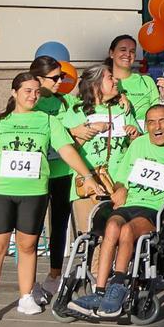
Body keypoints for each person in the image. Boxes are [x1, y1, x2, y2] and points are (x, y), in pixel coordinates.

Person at [0, 73, 103, 323]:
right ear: (14, 93)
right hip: (0, 190)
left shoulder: (47, 120)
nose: (32, 96)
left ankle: (25, 297)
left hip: (34, 192)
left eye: (36, 92)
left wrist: (87, 176)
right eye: (27, 91)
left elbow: (66, 150)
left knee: (28, 246)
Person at [66, 105, 164, 319]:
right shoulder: (138, 145)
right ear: (146, 125)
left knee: (127, 231)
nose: (156, 126)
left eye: (162, 121)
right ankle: (99, 290)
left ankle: (118, 285)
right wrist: (120, 188)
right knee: (112, 226)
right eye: (151, 122)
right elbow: (121, 178)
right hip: (129, 204)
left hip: (155, 208)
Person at [62, 63, 140, 234]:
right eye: (110, 77)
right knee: (91, 236)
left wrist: (134, 135)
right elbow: (66, 150)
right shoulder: (77, 111)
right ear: (96, 84)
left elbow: (140, 147)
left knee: (116, 235)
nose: (115, 80)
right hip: (88, 183)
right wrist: (88, 131)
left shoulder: (123, 108)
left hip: (120, 182)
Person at [28, 56, 80, 303]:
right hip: (35, 173)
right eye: (56, 78)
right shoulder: (29, 102)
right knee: (32, 230)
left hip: (62, 172)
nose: (61, 81)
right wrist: (71, 131)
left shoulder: (66, 101)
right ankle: (28, 285)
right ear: (39, 79)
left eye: (62, 77)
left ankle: (54, 274)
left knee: (59, 225)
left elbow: (88, 111)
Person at [107, 34, 164, 119]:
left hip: (144, 132)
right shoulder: (101, 82)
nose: (128, 54)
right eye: (123, 50)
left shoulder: (147, 81)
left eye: (132, 51)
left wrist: (163, 98)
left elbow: (158, 115)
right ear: (111, 53)